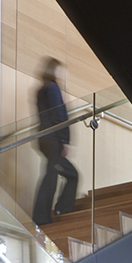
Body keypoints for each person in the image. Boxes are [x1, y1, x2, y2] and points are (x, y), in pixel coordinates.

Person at [32, 58, 78, 225]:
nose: (63, 73)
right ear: (53, 70)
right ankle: (47, 215)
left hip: (45, 138)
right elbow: (58, 114)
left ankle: (56, 211)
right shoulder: (52, 87)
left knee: (59, 174)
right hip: (53, 138)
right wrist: (65, 140)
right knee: (54, 176)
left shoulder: (41, 89)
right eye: (60, 69)